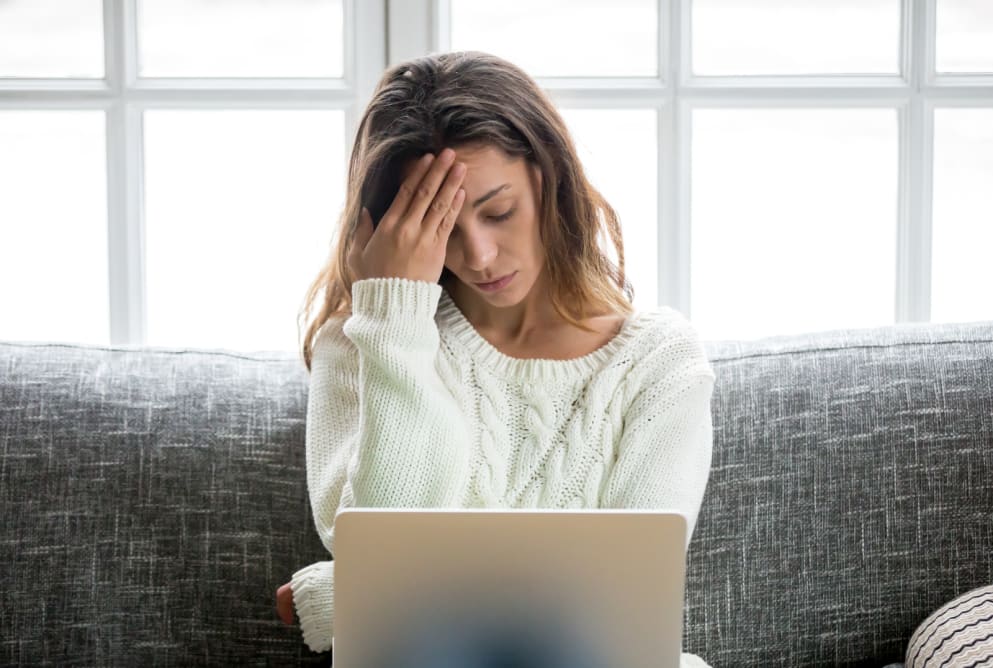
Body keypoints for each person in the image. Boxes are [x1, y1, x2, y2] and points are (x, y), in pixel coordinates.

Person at [274, 50, 716, 668]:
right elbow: (386, 551)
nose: (478, 256)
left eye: (498, 212)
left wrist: (337, 594)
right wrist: (395, 319)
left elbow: (623, 602)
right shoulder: (363, 342)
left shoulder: (659, 361)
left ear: (548, 177)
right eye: (443, 229)